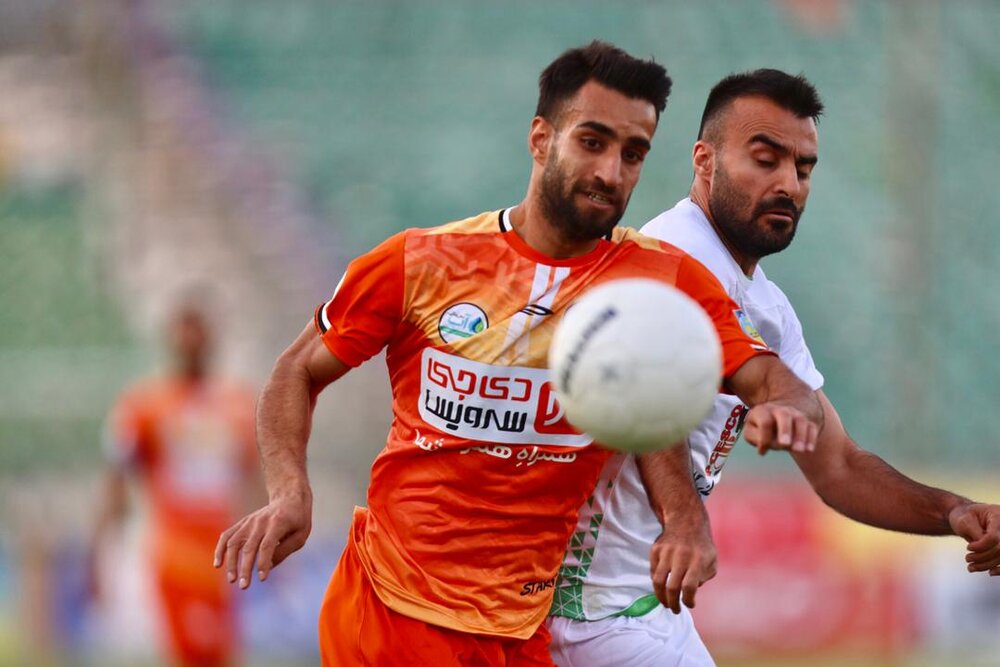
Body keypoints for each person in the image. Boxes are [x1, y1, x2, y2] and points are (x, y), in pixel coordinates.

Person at [214, 43, 825, 666]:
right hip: (391, 613)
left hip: (518, 630)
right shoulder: (422, 262)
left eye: (632, 153)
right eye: (592, 142)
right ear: (540, 139)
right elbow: (297, 370)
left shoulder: (659, 284)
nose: (611, 172)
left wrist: (779, 410)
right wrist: (288, 492)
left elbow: (771, 378)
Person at [546, 68, 1000, 667]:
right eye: (765, 160)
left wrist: (954, 510)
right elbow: (642, 395)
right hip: (586, 614)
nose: (788, 183)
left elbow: (838, 465)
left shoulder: (767, 307)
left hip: (650, 607)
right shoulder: (665, 257)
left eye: (803, 168)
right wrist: (684, 518)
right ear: (704, 161)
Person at [89, 299, 260, 666]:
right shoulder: (144, 405)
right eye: (184, 333)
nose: (191, 342)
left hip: (223, 558)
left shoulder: (239, 405)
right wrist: (104, 549)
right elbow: (116, 477)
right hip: (174, 555)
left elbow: (255, 477)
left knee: (221, 655)